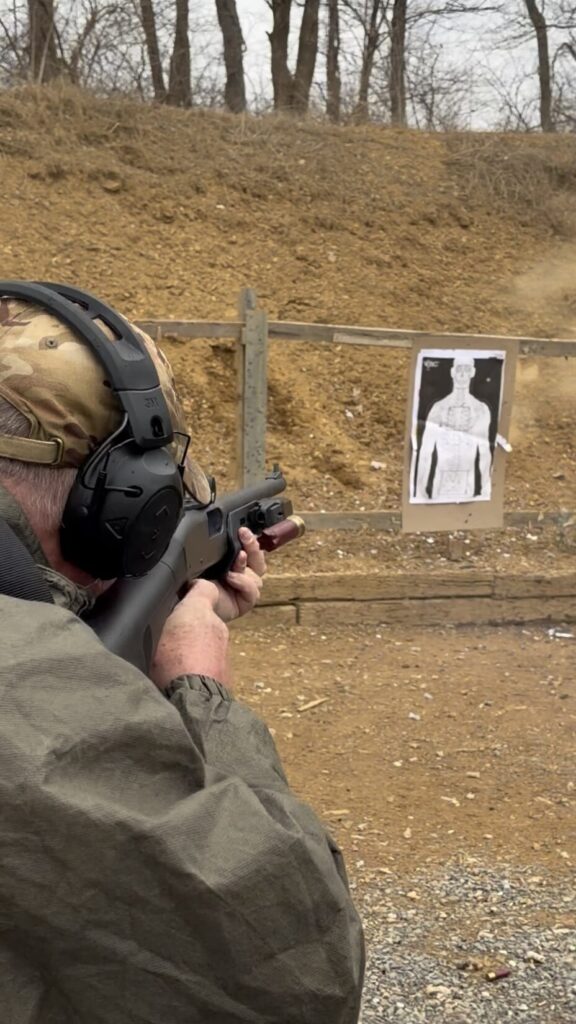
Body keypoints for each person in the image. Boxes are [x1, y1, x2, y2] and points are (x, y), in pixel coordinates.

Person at [0, 287, 364, 1023]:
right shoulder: (20, 680)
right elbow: (299, 968)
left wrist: (147, 611)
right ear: (116, 505)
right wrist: (197, 682)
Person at [414, 353, 492, 502]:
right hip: (441, 481)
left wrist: (485, 488)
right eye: (459, 369)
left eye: (466, 370)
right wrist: (420, 488)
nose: (462, 375)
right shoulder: (439, 408)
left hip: (468, 483)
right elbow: (426, 450)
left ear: (473, 372)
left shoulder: (480, 410)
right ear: (452, 372)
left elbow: (485, 452)